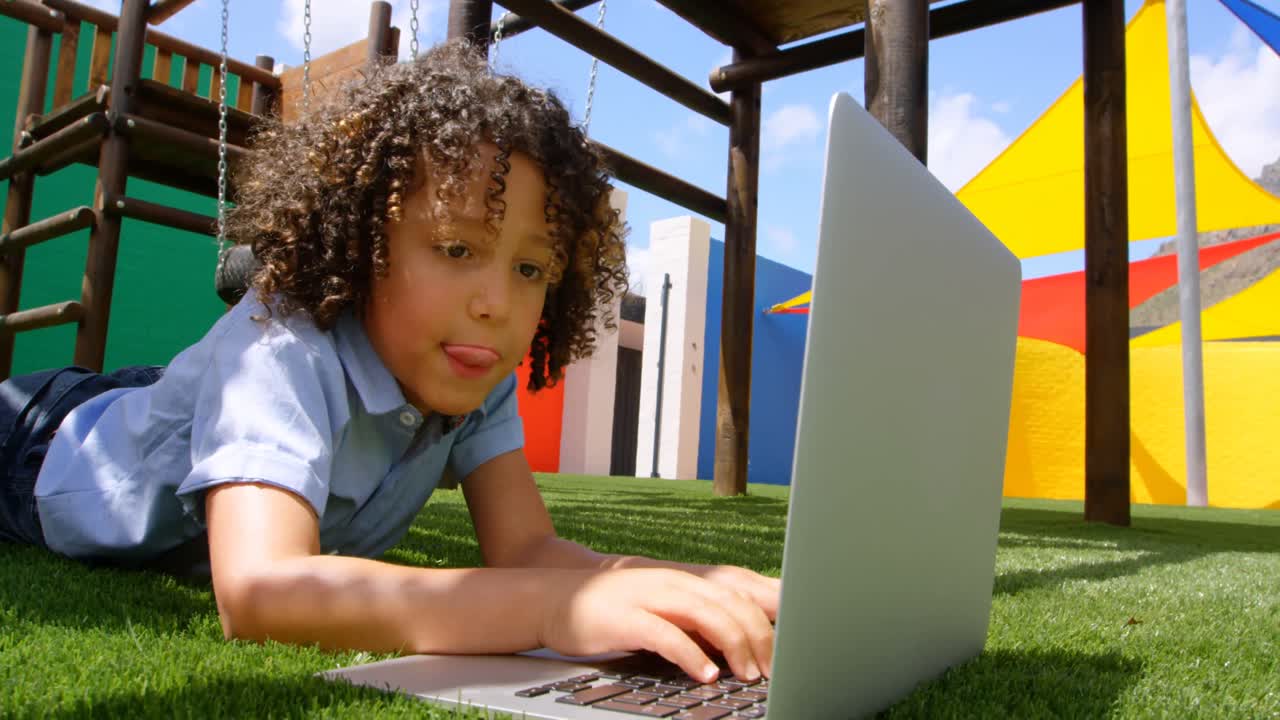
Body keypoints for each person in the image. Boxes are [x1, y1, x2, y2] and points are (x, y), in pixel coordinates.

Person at [0, 40, 778, 685]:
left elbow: (526, 551)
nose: (497, 303)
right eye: (456, 249)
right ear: (361, 244)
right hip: (44, 443)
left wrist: (693, 584)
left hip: (175, 417)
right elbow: (260, 591)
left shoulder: (476, 368)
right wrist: (554, 610)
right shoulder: (283, 350)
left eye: (530, 268)